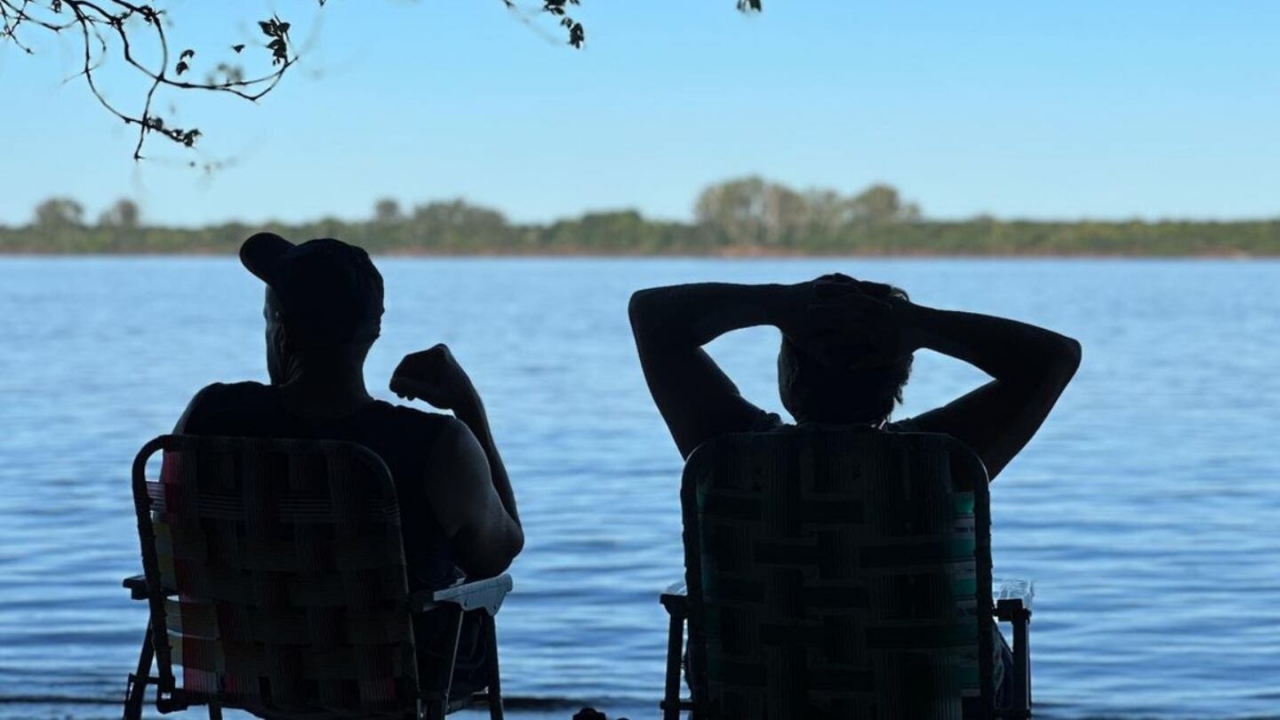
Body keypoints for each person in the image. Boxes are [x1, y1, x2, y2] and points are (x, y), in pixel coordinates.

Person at [628, 273, 1082, 708]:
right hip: (935, 707)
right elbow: (1054, 358)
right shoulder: (942, 462)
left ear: (789, 375)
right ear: (898, 379)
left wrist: (777, 303)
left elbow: (650, 314)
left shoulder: (724, 453)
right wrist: (917, 324)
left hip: (753, 701)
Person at [173, 232, 523, 698]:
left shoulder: (209, 417)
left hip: (243, 669)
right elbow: (499, 553)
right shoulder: (436, 445)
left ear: (281, 332)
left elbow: (175, 544)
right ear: (373, 332)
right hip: (390, 681)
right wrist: (468, 406)